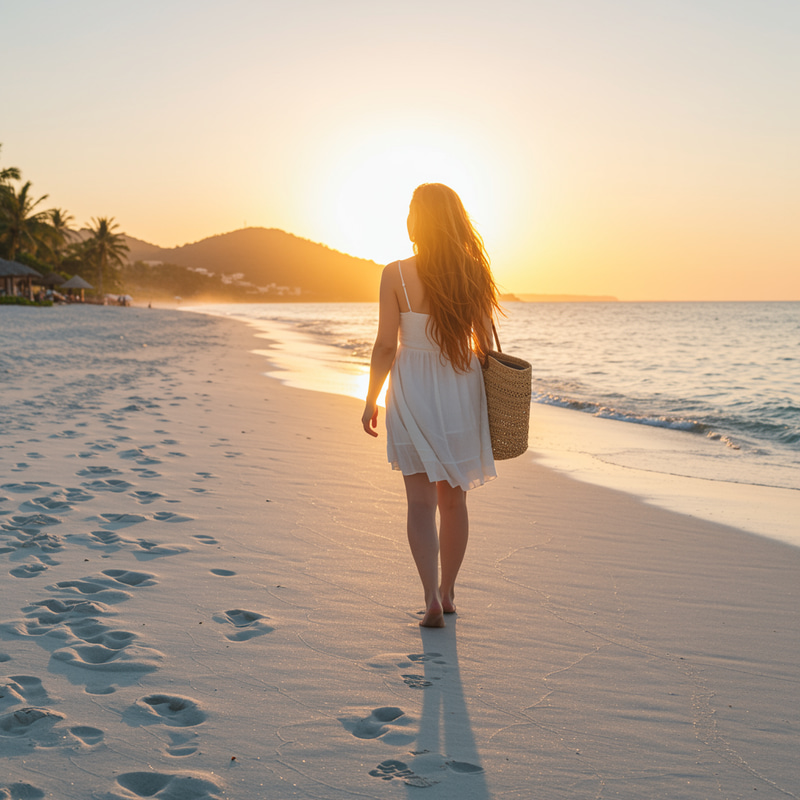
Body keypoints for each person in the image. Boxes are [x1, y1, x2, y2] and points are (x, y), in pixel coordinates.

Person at [361, 183, 500, 627]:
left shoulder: (395, 274)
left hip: (412, 388)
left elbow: (385, 345)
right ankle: (448, 592)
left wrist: (371, 398)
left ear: (415, 220)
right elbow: (485, 344)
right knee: (453, 502)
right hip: (460, 385)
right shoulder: (473, 273)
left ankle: (429, 599)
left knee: (419, 504)